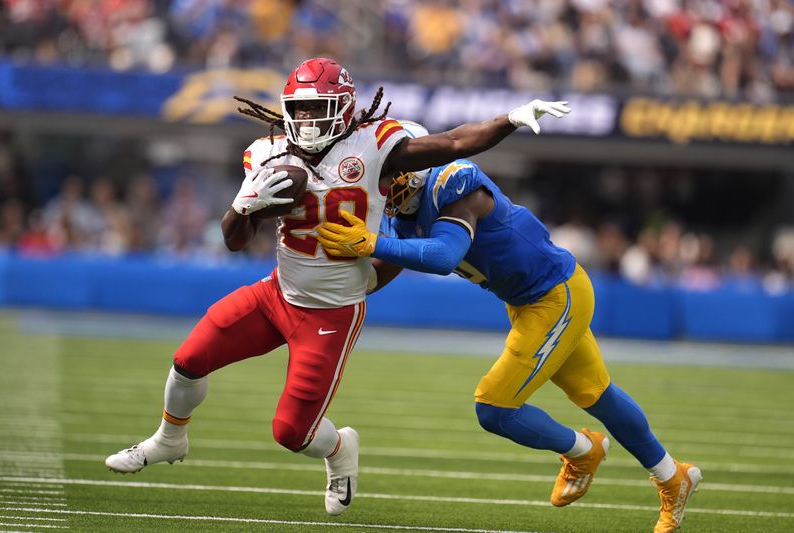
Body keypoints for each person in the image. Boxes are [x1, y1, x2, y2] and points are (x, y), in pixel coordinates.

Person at [104, 57, 572, 516]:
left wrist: (510, 118)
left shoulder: (375, 145)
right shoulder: (267, 152)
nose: (306, 119)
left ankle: (340, 447)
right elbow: (234, 241)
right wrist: (241, 207)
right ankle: (169, 439)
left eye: (317, 107)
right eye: (300, 108)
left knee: (292, 433)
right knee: (188, 359)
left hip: (330, 314)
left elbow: (452, 142)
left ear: (344, 106)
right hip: (276, 294)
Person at [315, 121, 702, 532]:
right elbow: (386, 265)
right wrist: (338, 287)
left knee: (494, 406)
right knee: (597, 394)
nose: (385, 183)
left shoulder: (457, 186)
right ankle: (673, 476)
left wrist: (372, 243)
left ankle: (583, 450)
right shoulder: (402, 217)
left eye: (391, 173)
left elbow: (444, 255)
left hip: (556, 295)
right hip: (530, 302)